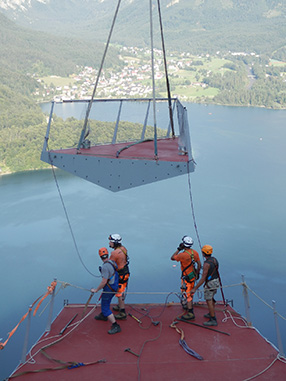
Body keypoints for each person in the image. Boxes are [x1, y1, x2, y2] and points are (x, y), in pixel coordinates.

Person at [91, 247, 121, 334]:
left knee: (105, 307)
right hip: (114, 285)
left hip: (109, 288)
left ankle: (115, 325)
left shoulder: (105, 267)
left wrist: (96, 290)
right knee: (105, 303)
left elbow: (104, 281)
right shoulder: (112, 262)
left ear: (100, 257)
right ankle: (104, 316)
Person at [171, 236, 201, 320]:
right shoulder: (194, 253)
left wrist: (178, 249)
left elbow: (172, 257)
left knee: (187, 295)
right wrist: (197, 274)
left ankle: (190, 312)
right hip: (193, 276)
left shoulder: (182, 255)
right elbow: (199, 264)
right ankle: (188, 306)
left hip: (186, 278)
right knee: (191, 292)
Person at [191, 244, 220, 327]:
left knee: (208, 300)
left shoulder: (206, 264)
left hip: (210, 283)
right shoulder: (215, 260)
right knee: (212, 298)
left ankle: (213, 319)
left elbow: (203, 278)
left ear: (203, 253)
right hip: (216, 281)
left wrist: (195, 288)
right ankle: (211, 312)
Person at [108, 234, 130, 319]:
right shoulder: (123, 249)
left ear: (115, 243)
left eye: (111, 242)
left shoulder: (114, 253)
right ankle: (119, 306)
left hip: (121, 274)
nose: (109, 243)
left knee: (119, 293)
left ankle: (122, 312)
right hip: (125, 272)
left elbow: (110, 264)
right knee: (122, 290)